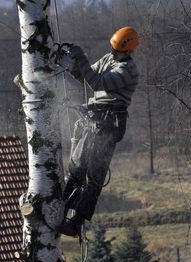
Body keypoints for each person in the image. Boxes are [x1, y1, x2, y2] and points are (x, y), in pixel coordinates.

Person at [56, 27, 140, 236]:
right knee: (76, 171)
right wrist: (70, 64)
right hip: (94, 120)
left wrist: (81, 57)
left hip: (108, 124)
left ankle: (75, 223)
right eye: (112, 48)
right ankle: (60, 210)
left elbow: (97, 83)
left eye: (117, 51)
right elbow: (86, 76)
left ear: (127, 51)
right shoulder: (109, 59)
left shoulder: (128, 71)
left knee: (93, 178)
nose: (112, 53)